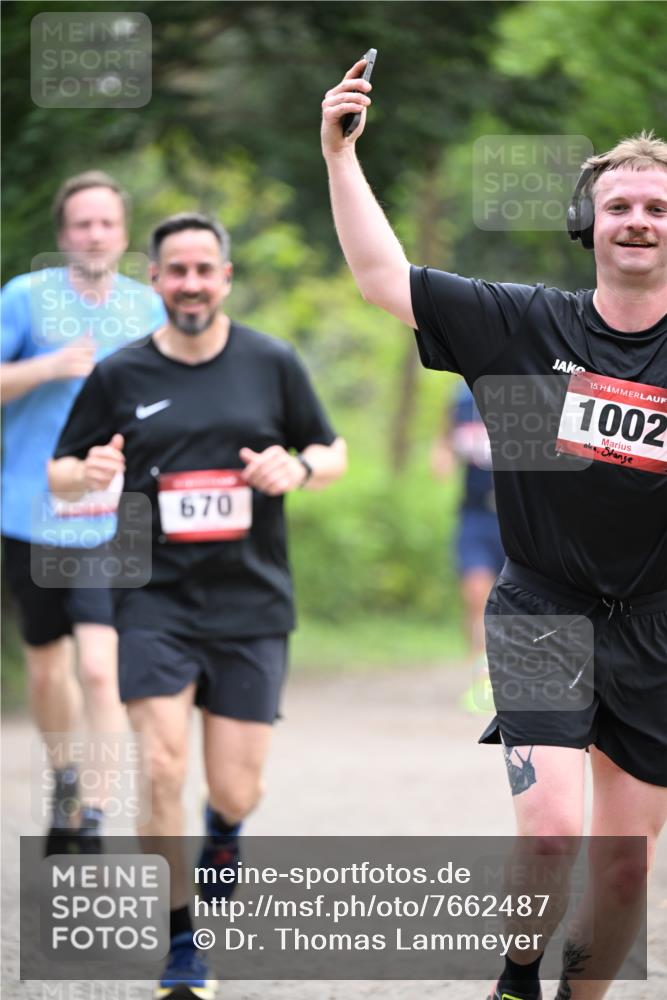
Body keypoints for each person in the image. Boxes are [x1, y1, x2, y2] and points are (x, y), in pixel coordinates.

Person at [321, 59, 666, 1000]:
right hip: (543, 607)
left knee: (626, 867)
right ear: (586, 222)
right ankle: (517, 978)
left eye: (656, 208)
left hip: (656, 622)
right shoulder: (520, 325)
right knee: (552, 830)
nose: (637, 221)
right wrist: (339, 155)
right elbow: (381, 279)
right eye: (620, 205)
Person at [49, 211, 347, 1000]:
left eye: (203, 270)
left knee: (235, 787)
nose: (189, 283)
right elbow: (61, 471)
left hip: (252, 602)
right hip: (154, 597)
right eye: (175, 270)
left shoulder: (270, 361)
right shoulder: (121, 374)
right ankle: (182, 945)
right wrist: (87, 473)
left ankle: (224, 832)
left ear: (224, 278)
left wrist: (298, 469)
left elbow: (330, 448)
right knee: (160, 768)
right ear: (154, 280)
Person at [1, 171, 165, 852]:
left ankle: (93, 810)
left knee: (100, 664)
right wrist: (47, 368)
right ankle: (66, 777)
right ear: (63, 234)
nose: (94, 235)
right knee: (46, 666)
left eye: (106, 224)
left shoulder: (146, 309)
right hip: (30, 508)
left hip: (112, 514)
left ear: (122, 234)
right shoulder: (24, 298)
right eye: (81, 224)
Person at [430, 380, 503, 711]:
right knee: (477, 598)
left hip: (520, 518)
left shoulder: (533, 383)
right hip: (475, 515)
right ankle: (483, 680)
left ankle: (521, 678)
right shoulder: (461, 396)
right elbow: (444, 439)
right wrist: (442, 456)